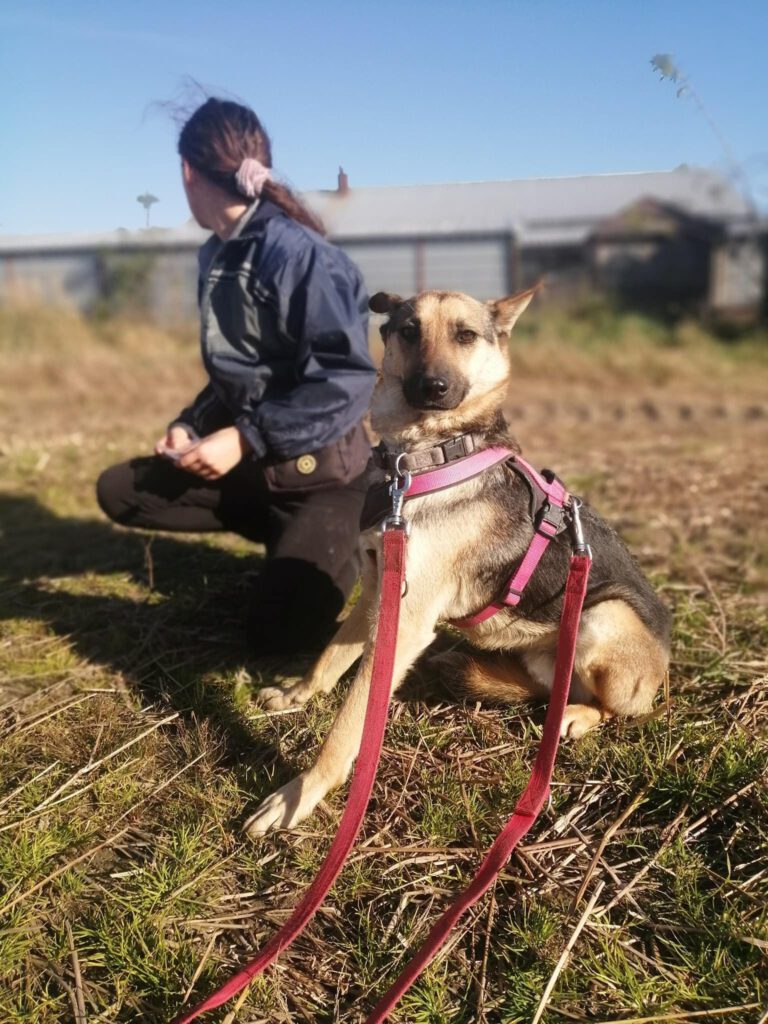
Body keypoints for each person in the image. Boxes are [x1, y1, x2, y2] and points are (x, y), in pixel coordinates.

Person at [97, 97, 376, 654]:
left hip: (324, 476)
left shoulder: (302, 257)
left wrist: (245, 437)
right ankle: (282, 533)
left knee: (278, 642)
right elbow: (235, 373)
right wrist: (191, 426)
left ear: (187, 172)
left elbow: (346, 380)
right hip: (258, 468)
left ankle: (335, 542)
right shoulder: (217, 254)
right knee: (122, 492)